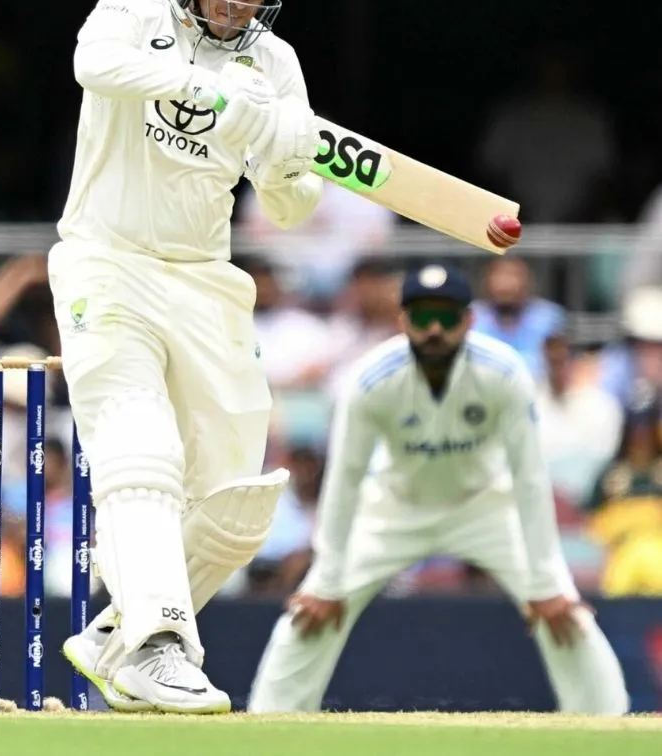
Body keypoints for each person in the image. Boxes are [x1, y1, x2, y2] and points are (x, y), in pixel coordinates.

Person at [50, 0, 318, 713]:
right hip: (108, 259)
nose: (236, 2)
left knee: (240, 500)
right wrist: (213, 89)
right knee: (140, 448)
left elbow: (297, 203)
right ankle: (160, 641)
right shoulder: (133, 4)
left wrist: (281, 166)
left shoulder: (277, 65)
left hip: (206, 279)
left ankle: (113, 636)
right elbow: (91, 65)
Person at [247, 264, 629, 715]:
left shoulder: (503, 373)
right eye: (422, 316)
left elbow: (528, 477)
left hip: (484, 505)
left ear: (468, 321)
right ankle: (270, 723)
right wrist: (327, 577)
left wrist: (547, 581)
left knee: (565, 613)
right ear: (402, 320)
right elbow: (345, 478)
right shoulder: (370, 380)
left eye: (446, 318)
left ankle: (608, 725)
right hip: (393, 509)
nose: (434, 329)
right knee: (310, 614)